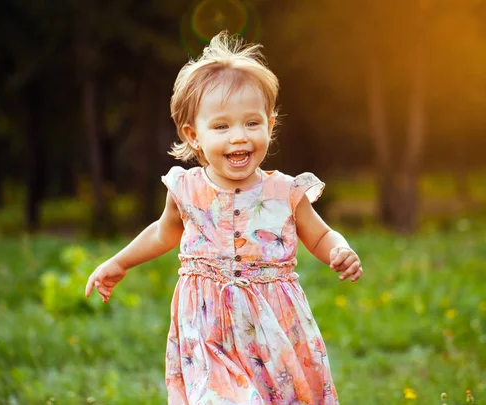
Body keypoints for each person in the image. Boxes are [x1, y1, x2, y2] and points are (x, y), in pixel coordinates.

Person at [85, 31, 363, 405]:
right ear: (193, 135)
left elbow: (319, 235)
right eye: (221, 126)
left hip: (273, 329)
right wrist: (119, 262)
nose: (239, 137)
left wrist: (339, 250)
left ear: (270, 122)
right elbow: (161, 234)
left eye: (252, 123)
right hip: (206, 328)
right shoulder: (186, 189)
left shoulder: (284, 191)